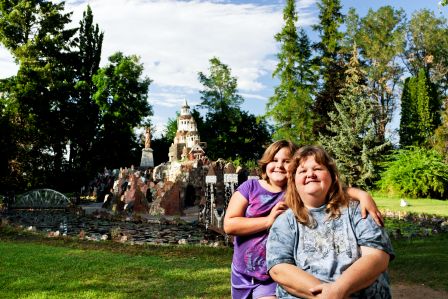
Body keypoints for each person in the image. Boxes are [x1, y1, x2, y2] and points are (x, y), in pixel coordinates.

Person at [224, 140, 384, 299]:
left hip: (270, 273)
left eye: (286, 161)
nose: (279, 165)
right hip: (243, 270)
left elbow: (329, 187)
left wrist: (362, 194)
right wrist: (267, 221)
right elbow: (229, 225)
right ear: (266, 163)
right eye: (274, 160)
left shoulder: (294, 192)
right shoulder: (250, 187)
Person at [266, 145, 394, 299]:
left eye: (318, 169)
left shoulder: (358, 211)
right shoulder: (285, 221)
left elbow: (377, 256)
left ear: (333, 176)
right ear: (293, 181)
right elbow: (279, 268)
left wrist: (339, 290)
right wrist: (327, 295)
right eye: (302, 171)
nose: (311, 174)